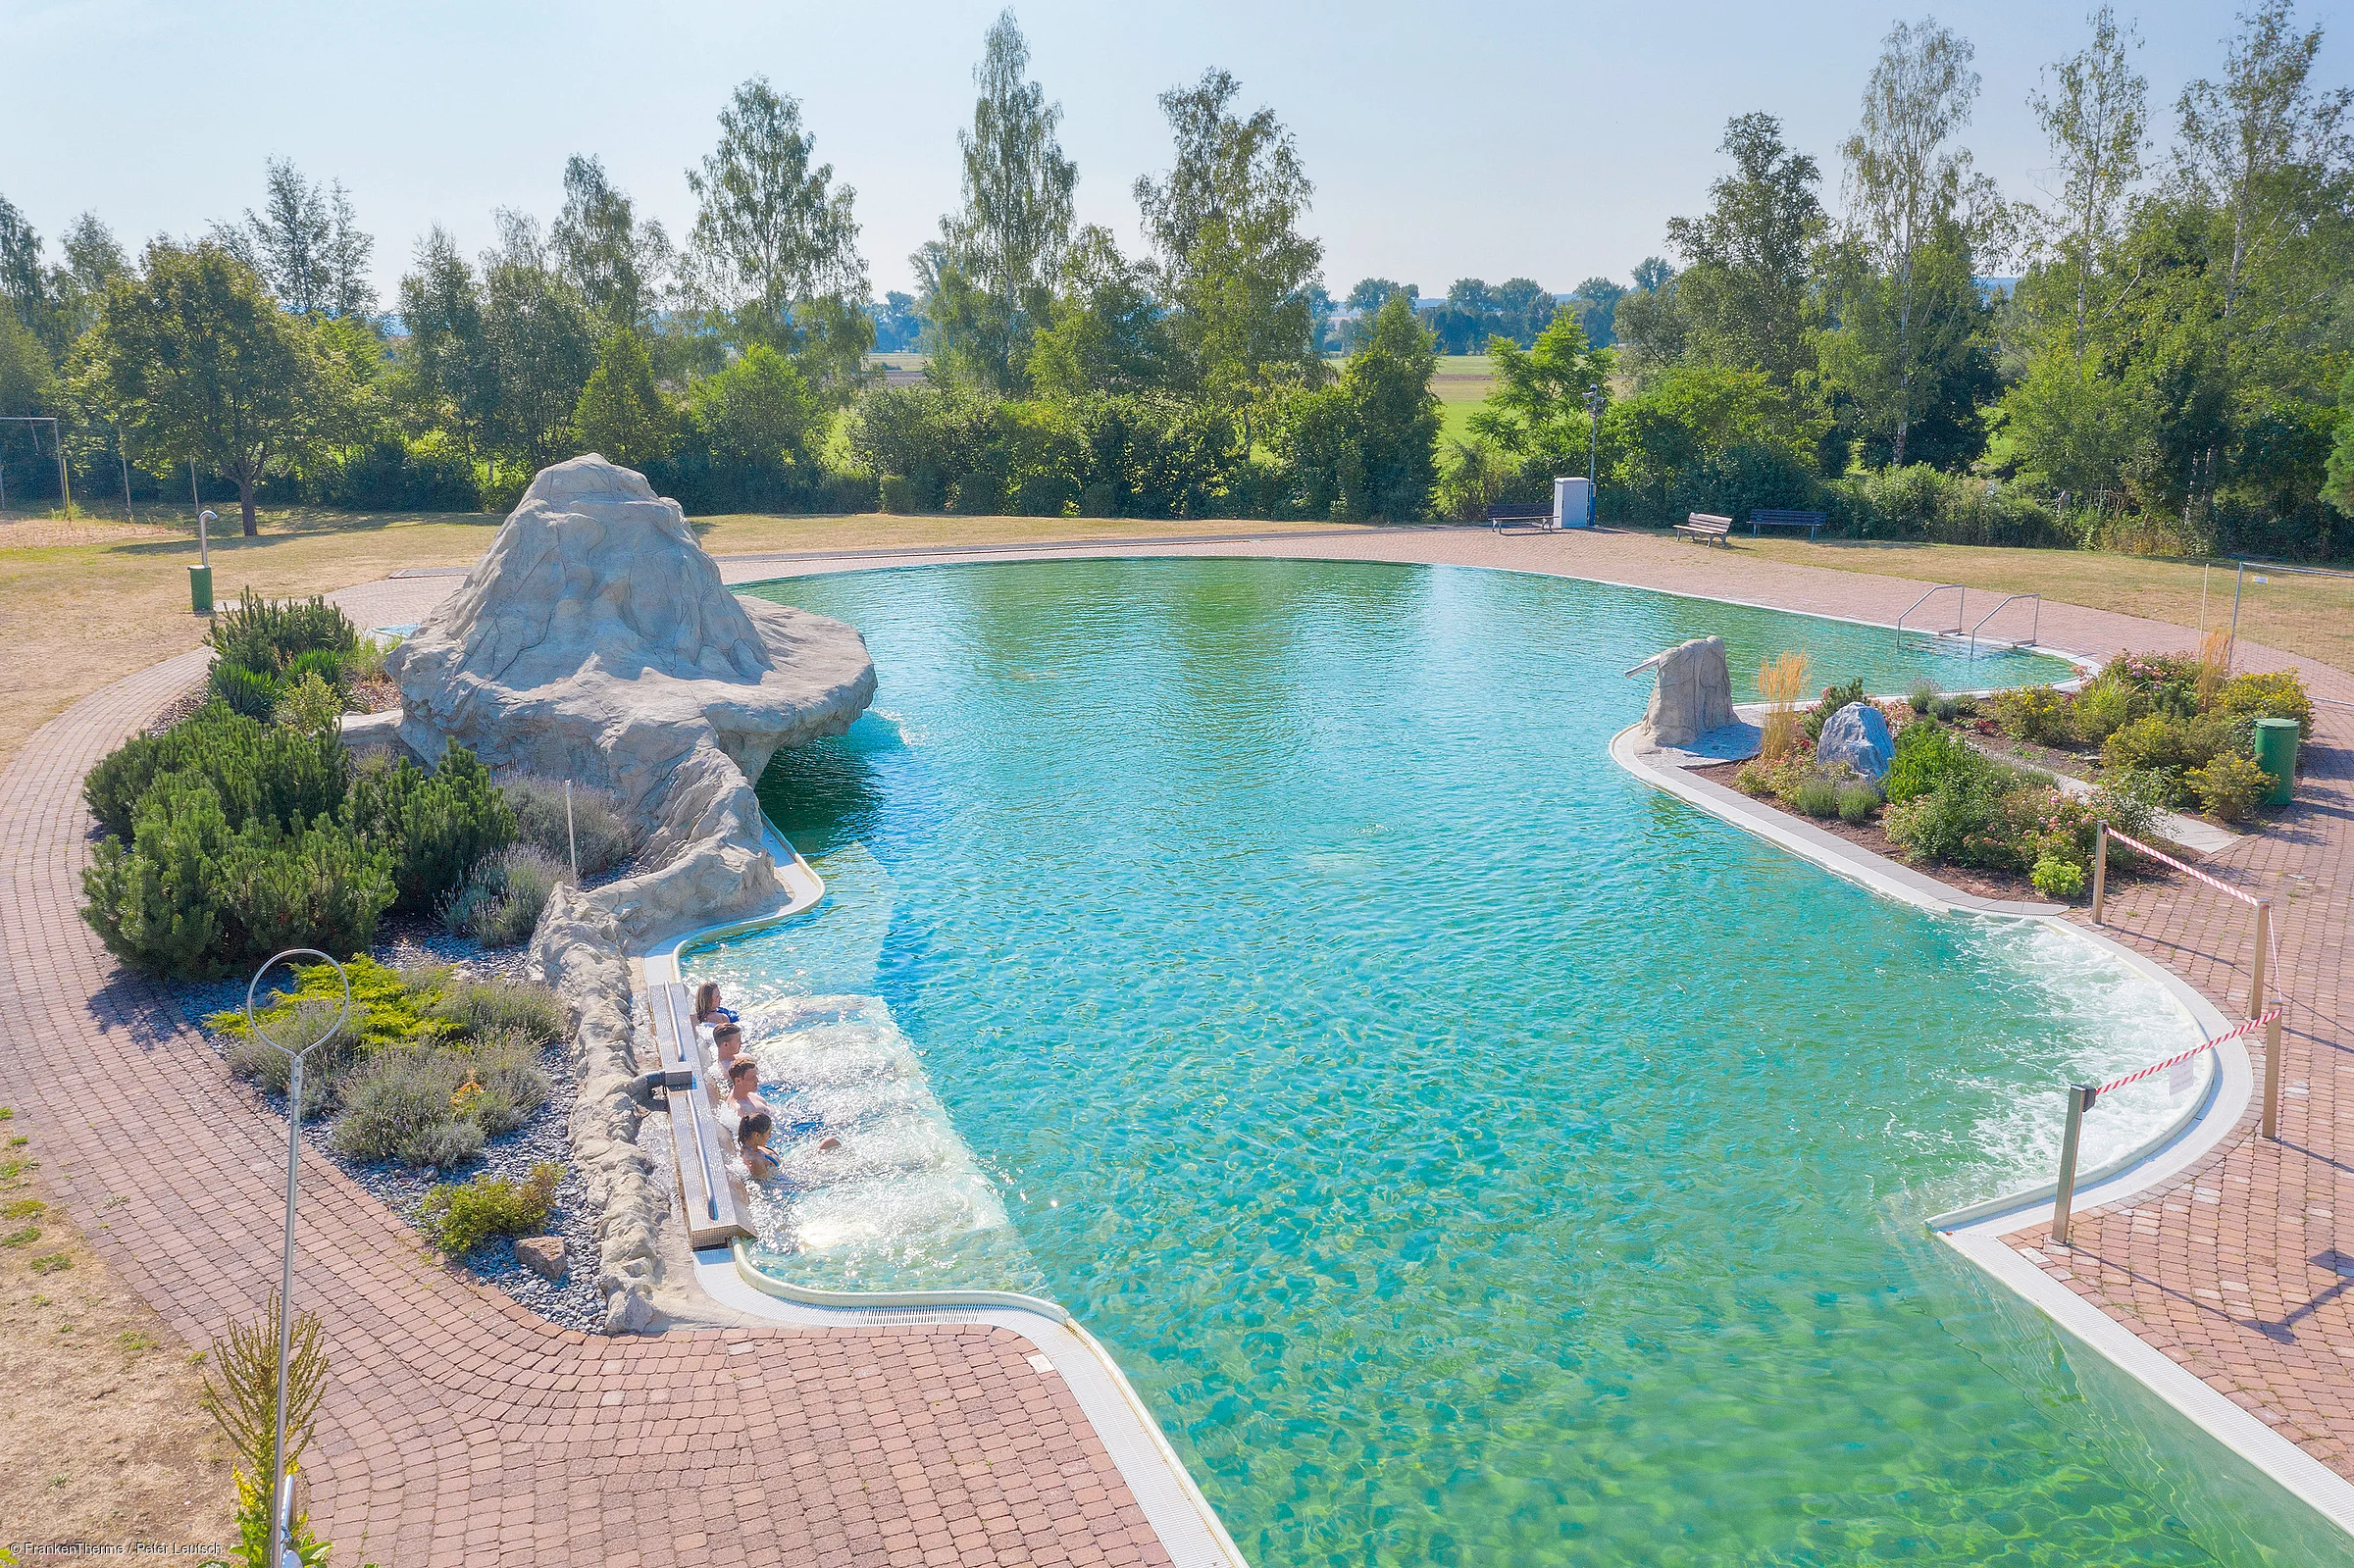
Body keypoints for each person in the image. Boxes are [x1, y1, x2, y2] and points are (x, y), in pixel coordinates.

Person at [724, 1057, 772, 1124]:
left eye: (756, 1076)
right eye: (752, 1078)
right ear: (738, 1081)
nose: (757, 1081)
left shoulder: (743, 1094)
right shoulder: (743, 1110)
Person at [738, 1111, 779, 1181]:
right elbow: (768, 1184)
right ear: (757, 1135)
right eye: (768, 1133)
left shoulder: (756, 1148)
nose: (770, 1136)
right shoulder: (756, 1161)